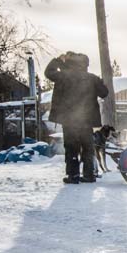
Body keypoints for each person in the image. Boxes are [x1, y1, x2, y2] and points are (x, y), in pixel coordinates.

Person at [46, 52, 108, 184]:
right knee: (87, 147)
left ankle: (73, 175)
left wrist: (58, 60)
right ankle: (89, 174)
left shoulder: (63, 76)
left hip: (69, 119)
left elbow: (48, 72)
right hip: (87, 119)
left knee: (71, 146)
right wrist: (99, 82)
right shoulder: (92, 78)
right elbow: (104, 93)